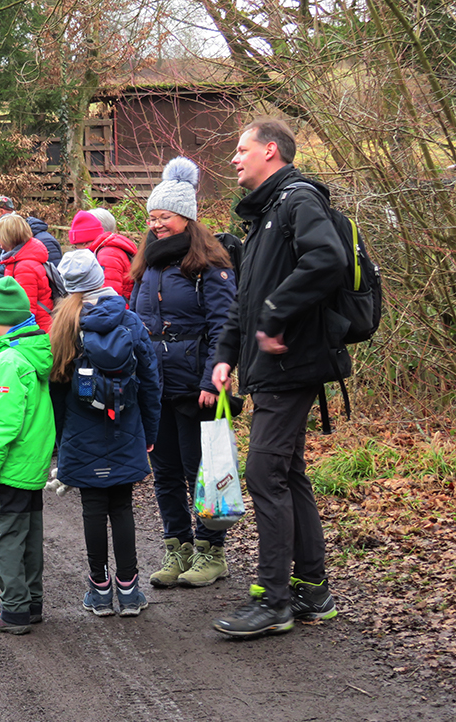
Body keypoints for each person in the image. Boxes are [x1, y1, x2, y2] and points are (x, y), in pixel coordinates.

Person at [209, 118, 346, 637]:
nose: (234, 159)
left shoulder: (297, 201)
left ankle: (274, 599)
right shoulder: (263, 216)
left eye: (241, 149)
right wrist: (225, 354)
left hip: (292, 364)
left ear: (271, 150)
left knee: (264, 475)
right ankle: (313, 590)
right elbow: (244, 300)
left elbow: (327, 260)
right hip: (270, 367)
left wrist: (274, 314)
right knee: (287, 474)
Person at [129, 157, 237, 589]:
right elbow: (135, 327)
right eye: (152, 218)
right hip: (156, 389)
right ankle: (179, 548)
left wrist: (211, 380)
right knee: (167, 473)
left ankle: (213, 552)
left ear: (186, 218)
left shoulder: (209, 267)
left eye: (165, 217)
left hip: (198, 390)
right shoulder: (147, 266)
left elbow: (224, 328)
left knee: (205, 470)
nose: (156, 225)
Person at [51, 249, 161, 617]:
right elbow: (150, 381)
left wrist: (60, 440)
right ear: (101, 277)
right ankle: (129, 590)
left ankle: (99, 590)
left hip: (80, 432)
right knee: (123, 506)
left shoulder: (65, 325)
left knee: (92, 509)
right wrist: (150, 430)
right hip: (126, 428)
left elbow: (54, 388)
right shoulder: (129, 320)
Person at [0, 276, 54, 633]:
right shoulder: (28, 351)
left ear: (3, 319)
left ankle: (14, 611)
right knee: (29, 535)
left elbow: (2, 422)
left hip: (9, 466)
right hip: (30, 465)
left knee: (5, 539)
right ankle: (32, 602)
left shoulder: (9, 362)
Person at [0, 214, 55, 332]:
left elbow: (26, 309)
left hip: (37, 330)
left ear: (7, 237)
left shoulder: (24, 267)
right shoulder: (18, 259)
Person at [68, 209, 138, 299]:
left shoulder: (107, 255)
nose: (77, 250)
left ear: (85, 243)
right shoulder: (110, 249)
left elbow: (110, 297)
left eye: (76, 246)